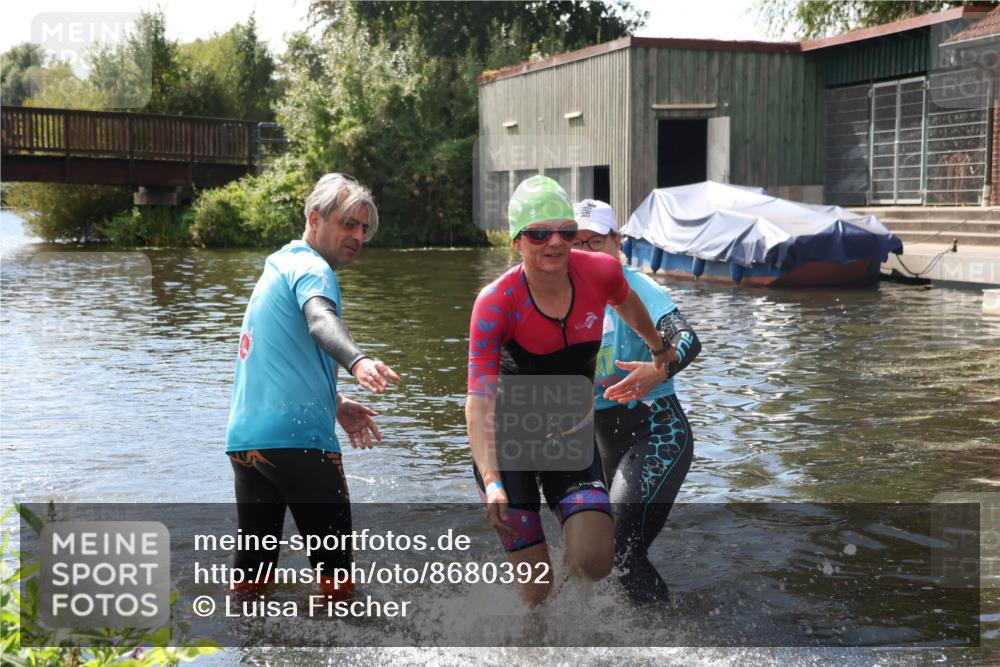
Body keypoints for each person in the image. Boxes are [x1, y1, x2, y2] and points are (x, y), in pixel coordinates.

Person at [465, 176, 676, 605]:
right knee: (537, 594)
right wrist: (491, 483)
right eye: (539, 233)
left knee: (595, 560)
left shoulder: (601, 271)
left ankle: (571, 600)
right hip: (510, 445)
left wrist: (657, 347)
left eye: (566, 231)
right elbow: (479, 400)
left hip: (570, 436)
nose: (555, 243)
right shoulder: (495, 302)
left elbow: (628, 303)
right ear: (517, 242)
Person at [225, 173, 399, 601]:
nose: (358, 235)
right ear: (314, 218)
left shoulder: (279, 265)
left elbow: (277, 355)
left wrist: (334, 399)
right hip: (300, 444)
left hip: (248, 445)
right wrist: (357, 361)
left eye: (364, 228)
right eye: (348, 223)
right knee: (339, 586)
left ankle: (245, 648)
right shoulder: (313, 269)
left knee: (251, 582)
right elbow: (321, 319)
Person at [572, 198, 701, 604]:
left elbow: (687, 339)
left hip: (657, 433)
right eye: (575, 242)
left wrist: (656, 370)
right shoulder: (566, 297)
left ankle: (667, 643)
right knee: (590, 558)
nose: (583, 251)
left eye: (594, 241)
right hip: (600, 443)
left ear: (616, 242)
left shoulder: (637, 286)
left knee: (619, 549)